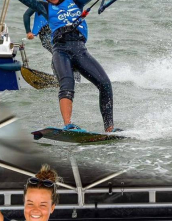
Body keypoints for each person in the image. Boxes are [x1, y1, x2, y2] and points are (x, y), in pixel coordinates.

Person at [18, 0, 119, 133]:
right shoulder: (45, 7)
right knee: (67, 86)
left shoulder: (76, 1)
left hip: (80, 50)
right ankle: (68, 125)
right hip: (60, 50)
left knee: (105, 84)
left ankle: (109, 128)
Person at [23, 6, 81, 82]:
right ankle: (59, 77)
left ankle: (75, 79)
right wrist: (28, 32)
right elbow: (26, 15)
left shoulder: (62, 3)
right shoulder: (40, 2)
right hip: (45, 34)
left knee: (68, 53)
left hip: (60, 32)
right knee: (58, 53)